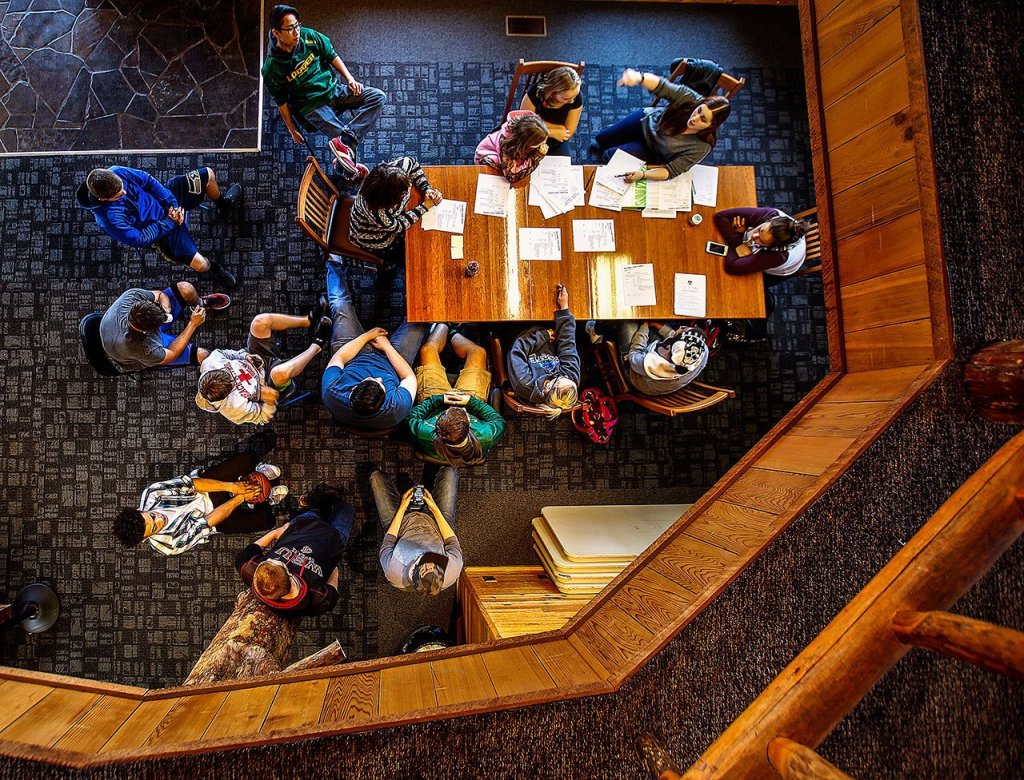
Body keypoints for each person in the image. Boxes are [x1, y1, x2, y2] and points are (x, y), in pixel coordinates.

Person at [261, 4, 386, 174]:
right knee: (343, 141)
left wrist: (350, 79)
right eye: (290, 28)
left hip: (334, 90)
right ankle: (348, 171)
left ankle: (345, 146)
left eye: (297, 25)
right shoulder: (271, 68)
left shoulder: (308, 36)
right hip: (312, 106)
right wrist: (292, 130)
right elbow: (281, 102)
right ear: (276, 33)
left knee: (377, 97)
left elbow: (331, 54)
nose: (296, 31)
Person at [77, 165, 240, 287]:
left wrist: (172, 205)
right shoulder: (109, 219)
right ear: (103, 200)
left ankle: (222, 204)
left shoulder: (116, 171)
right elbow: (139, 238)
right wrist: (170, 222)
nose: (124, 193)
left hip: (166, 202)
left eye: (123, 187)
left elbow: (148, 181)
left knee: (208, 174)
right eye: (119, 195)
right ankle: (214, 269)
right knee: (201, 265)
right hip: (160, 232)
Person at [113, 453, 286, 557]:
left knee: (249, 456)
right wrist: (240, 497)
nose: (160, 519)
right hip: (213, 519)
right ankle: (264, 496)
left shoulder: (152, 493)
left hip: (204, 489)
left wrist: (232, 487)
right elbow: (209, 520)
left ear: (140, 510)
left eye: (152, 516)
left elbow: (193, 484)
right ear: (145, 538)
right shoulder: (170, 546)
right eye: (154, 528)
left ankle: (256, 476)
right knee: (267, 521)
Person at [321, 261, 426, 430]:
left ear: (353, 388)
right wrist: (387, 348)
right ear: (385, 398)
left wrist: (366, 337)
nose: (378, 378)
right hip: (393, 362)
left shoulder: (332, 393)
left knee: (340, 304)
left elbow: (339, 357)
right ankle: (422, 273)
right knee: (421, 319)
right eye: (381, 383)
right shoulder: (397, 408)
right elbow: (408, 377)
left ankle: (334, 263)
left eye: (372, 380)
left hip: (354, 355)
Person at [197, 303, 333, 426]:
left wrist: (244, 356)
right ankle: (317, 345)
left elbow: (226, 354)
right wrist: (269, 401)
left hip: (255, 357)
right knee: (279, 373)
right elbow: (262, 418)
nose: (234, 377)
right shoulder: (234, 409)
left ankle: (307, 321)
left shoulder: (210, 364)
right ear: (228, 392)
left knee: (260, 321)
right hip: (268, 380)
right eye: (233, 382)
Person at [591, 68, 731, 182]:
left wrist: (644, 175)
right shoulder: (691, 99)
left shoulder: (702, 146)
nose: (695, 118)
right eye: (699, 110)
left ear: (711, 126)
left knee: (611, 155)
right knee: (603, 137)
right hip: (646, 121)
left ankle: (607, 151)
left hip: (653, 150)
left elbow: (670, 171)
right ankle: (602, 143)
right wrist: (639, 77)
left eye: (703, 119)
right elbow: (661, 86)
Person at [236, 484, 354, 616]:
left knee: (316, 506)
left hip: (301, 525)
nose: (273, 559)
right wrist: (333, 566)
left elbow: (247, 553)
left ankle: (310, 504)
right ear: (290, 574)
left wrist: (276, 533)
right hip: (334, 537)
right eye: (279, 563)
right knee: (346, 509)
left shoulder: (251, 570)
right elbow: (332, 588)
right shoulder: (317, 598)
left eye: (270, 560)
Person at [406, 324, 505, 467]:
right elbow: (498, 420)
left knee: (427, 350)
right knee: (478, 352)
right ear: (469, 422)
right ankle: (453, 331)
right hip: (469, 400)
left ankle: (443, 325)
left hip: (437, 400)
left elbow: (410, 417)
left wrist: (440, 400)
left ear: (436, 426)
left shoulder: (425, 432)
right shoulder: (485, 435)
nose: (453, 404)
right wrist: (469, 402)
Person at [371, 467, 463, 596]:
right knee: (450, 472)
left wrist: (402, 507)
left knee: (376, 478)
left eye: (425, 567)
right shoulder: (452, 569)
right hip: (435, 525)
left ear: (415, 572)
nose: (431, 563)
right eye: (436, 566)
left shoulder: (394, 569)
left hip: (401, 526)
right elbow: (450, 540)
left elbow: (390, 538)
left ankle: (414, 497)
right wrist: (434, 509)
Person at [99, 281, 222, 373]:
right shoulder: (143, 348)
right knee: (204, 355)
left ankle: (200, 304)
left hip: (119, 333)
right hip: (137, 355)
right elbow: (172, 353)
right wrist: (192, 324)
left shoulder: (131, 297)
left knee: (186, 289)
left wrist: (166, 309)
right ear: (150, 330)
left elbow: (159, 295)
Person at [349, 156, 443, 266]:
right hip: (372, 234)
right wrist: (425, 207)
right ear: (390, 199)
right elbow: (399, 226)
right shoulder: (378, 212)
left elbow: (412, 164)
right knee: (403, 255)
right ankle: (388, 266)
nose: (410, 186)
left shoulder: (393, 173)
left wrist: (426, 188)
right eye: (403, 192)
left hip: (389, 220)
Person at [507, 284, 581, 415]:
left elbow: (517, 349)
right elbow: (568, 346)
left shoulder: (526, 384)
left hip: (521, 332)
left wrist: (543, 336)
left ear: (547, 387)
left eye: (560, 377)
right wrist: (564, 308)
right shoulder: (570, 379)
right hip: (549, 329)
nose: (564, 376)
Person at [713, 207, 810, 277]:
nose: (754, 236)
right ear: (769, 221)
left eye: (762, 241)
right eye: (760, 230)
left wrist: (740, 237)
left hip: (786, 268)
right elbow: (720, 216)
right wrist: (738, 242)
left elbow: (731, 267)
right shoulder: (769, 214)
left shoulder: (778, 256)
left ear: (771, 247)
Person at [618, 322, 709, 395]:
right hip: (654, 354)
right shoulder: (700, 348)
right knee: (657, 320)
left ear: (671, 348)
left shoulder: (656, 365)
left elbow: (635, 353)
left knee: (628, 323)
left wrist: (644, 326)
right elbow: (675, 336)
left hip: (638, 372)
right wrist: (658, 326)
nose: (680, 328)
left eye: (682, 329)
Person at [520, 66, 584, 156]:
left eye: (574, 96)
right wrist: (550, 132)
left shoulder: (576, 98)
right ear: (552, 92)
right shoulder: (536, 92)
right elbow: (524, 122)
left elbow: (567, 133)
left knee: (560, 167)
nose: (572, 101)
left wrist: (538, 122)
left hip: (556, 140)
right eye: (566, 98)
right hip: (531, 135)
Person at [474, 110, 549, 184]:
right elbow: (512, 177)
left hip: (514, 152)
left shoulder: (526, 125)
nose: (544, 144)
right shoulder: (506, 143)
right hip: (489, 155)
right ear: (525, 143)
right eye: (539, 143)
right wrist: (536, 157)